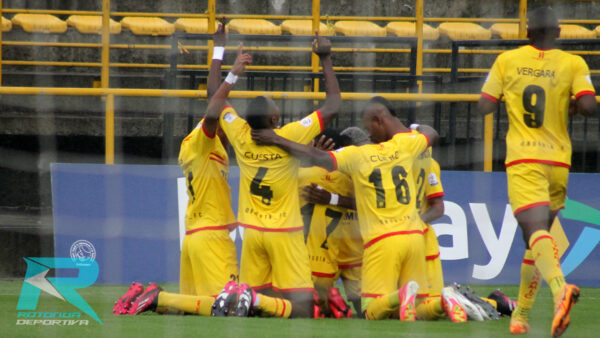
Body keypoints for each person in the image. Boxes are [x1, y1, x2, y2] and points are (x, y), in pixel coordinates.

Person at [251, 97, 468, 322]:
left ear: (378, 119)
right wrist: (410, 128)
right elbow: (431, 132)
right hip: (414, 237)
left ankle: (400, 294)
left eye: (368, 126)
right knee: (416, 311)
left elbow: (316, 156)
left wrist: (276, 139)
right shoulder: (405, 145)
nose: (369, 132)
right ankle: (442, 302)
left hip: (382, 239)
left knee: (370, 311)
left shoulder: (356, 156)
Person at [113, 18, 247, 316]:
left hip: (194, 237)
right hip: (211, 236)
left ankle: (151, 297)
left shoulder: (196, 145)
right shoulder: (202, 138)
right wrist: (233, 75)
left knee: (191, 310)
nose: (231, 122)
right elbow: (214, 108)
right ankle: (156, 296)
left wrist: (219, 50)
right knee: (227, 305)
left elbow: (214, 99)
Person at [477, 7, 596, 336]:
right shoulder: (574, 63)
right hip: (559, 162)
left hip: (524, 159)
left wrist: (507, 93)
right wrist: (568, 103)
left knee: (533, 233)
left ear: (527, 32)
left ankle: (560, 291)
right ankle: (521, 317)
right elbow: (588, 106)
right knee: (537, 239)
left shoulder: (508, 61)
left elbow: (484, 105)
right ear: (558, 32)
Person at [210, 32, 342, 318]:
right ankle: (252, 300)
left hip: (253, 233)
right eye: (274, 105)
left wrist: (221, 54)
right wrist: (326, 58)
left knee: (260, 303)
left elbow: (214, 98)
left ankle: (250, 298)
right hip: (285, 232)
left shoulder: (241, 135)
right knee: (305, 309)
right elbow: (333, 105)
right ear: (274, 119)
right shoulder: (291, 134)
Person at [297, 129, 361, 318]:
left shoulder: (300, 175)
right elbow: (370, 200)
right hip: (352, 251)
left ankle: (329, 303)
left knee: (297, 307)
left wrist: (311, 158)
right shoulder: (352, 177)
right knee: (367, 310)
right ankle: (335, 304)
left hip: (313, 258)